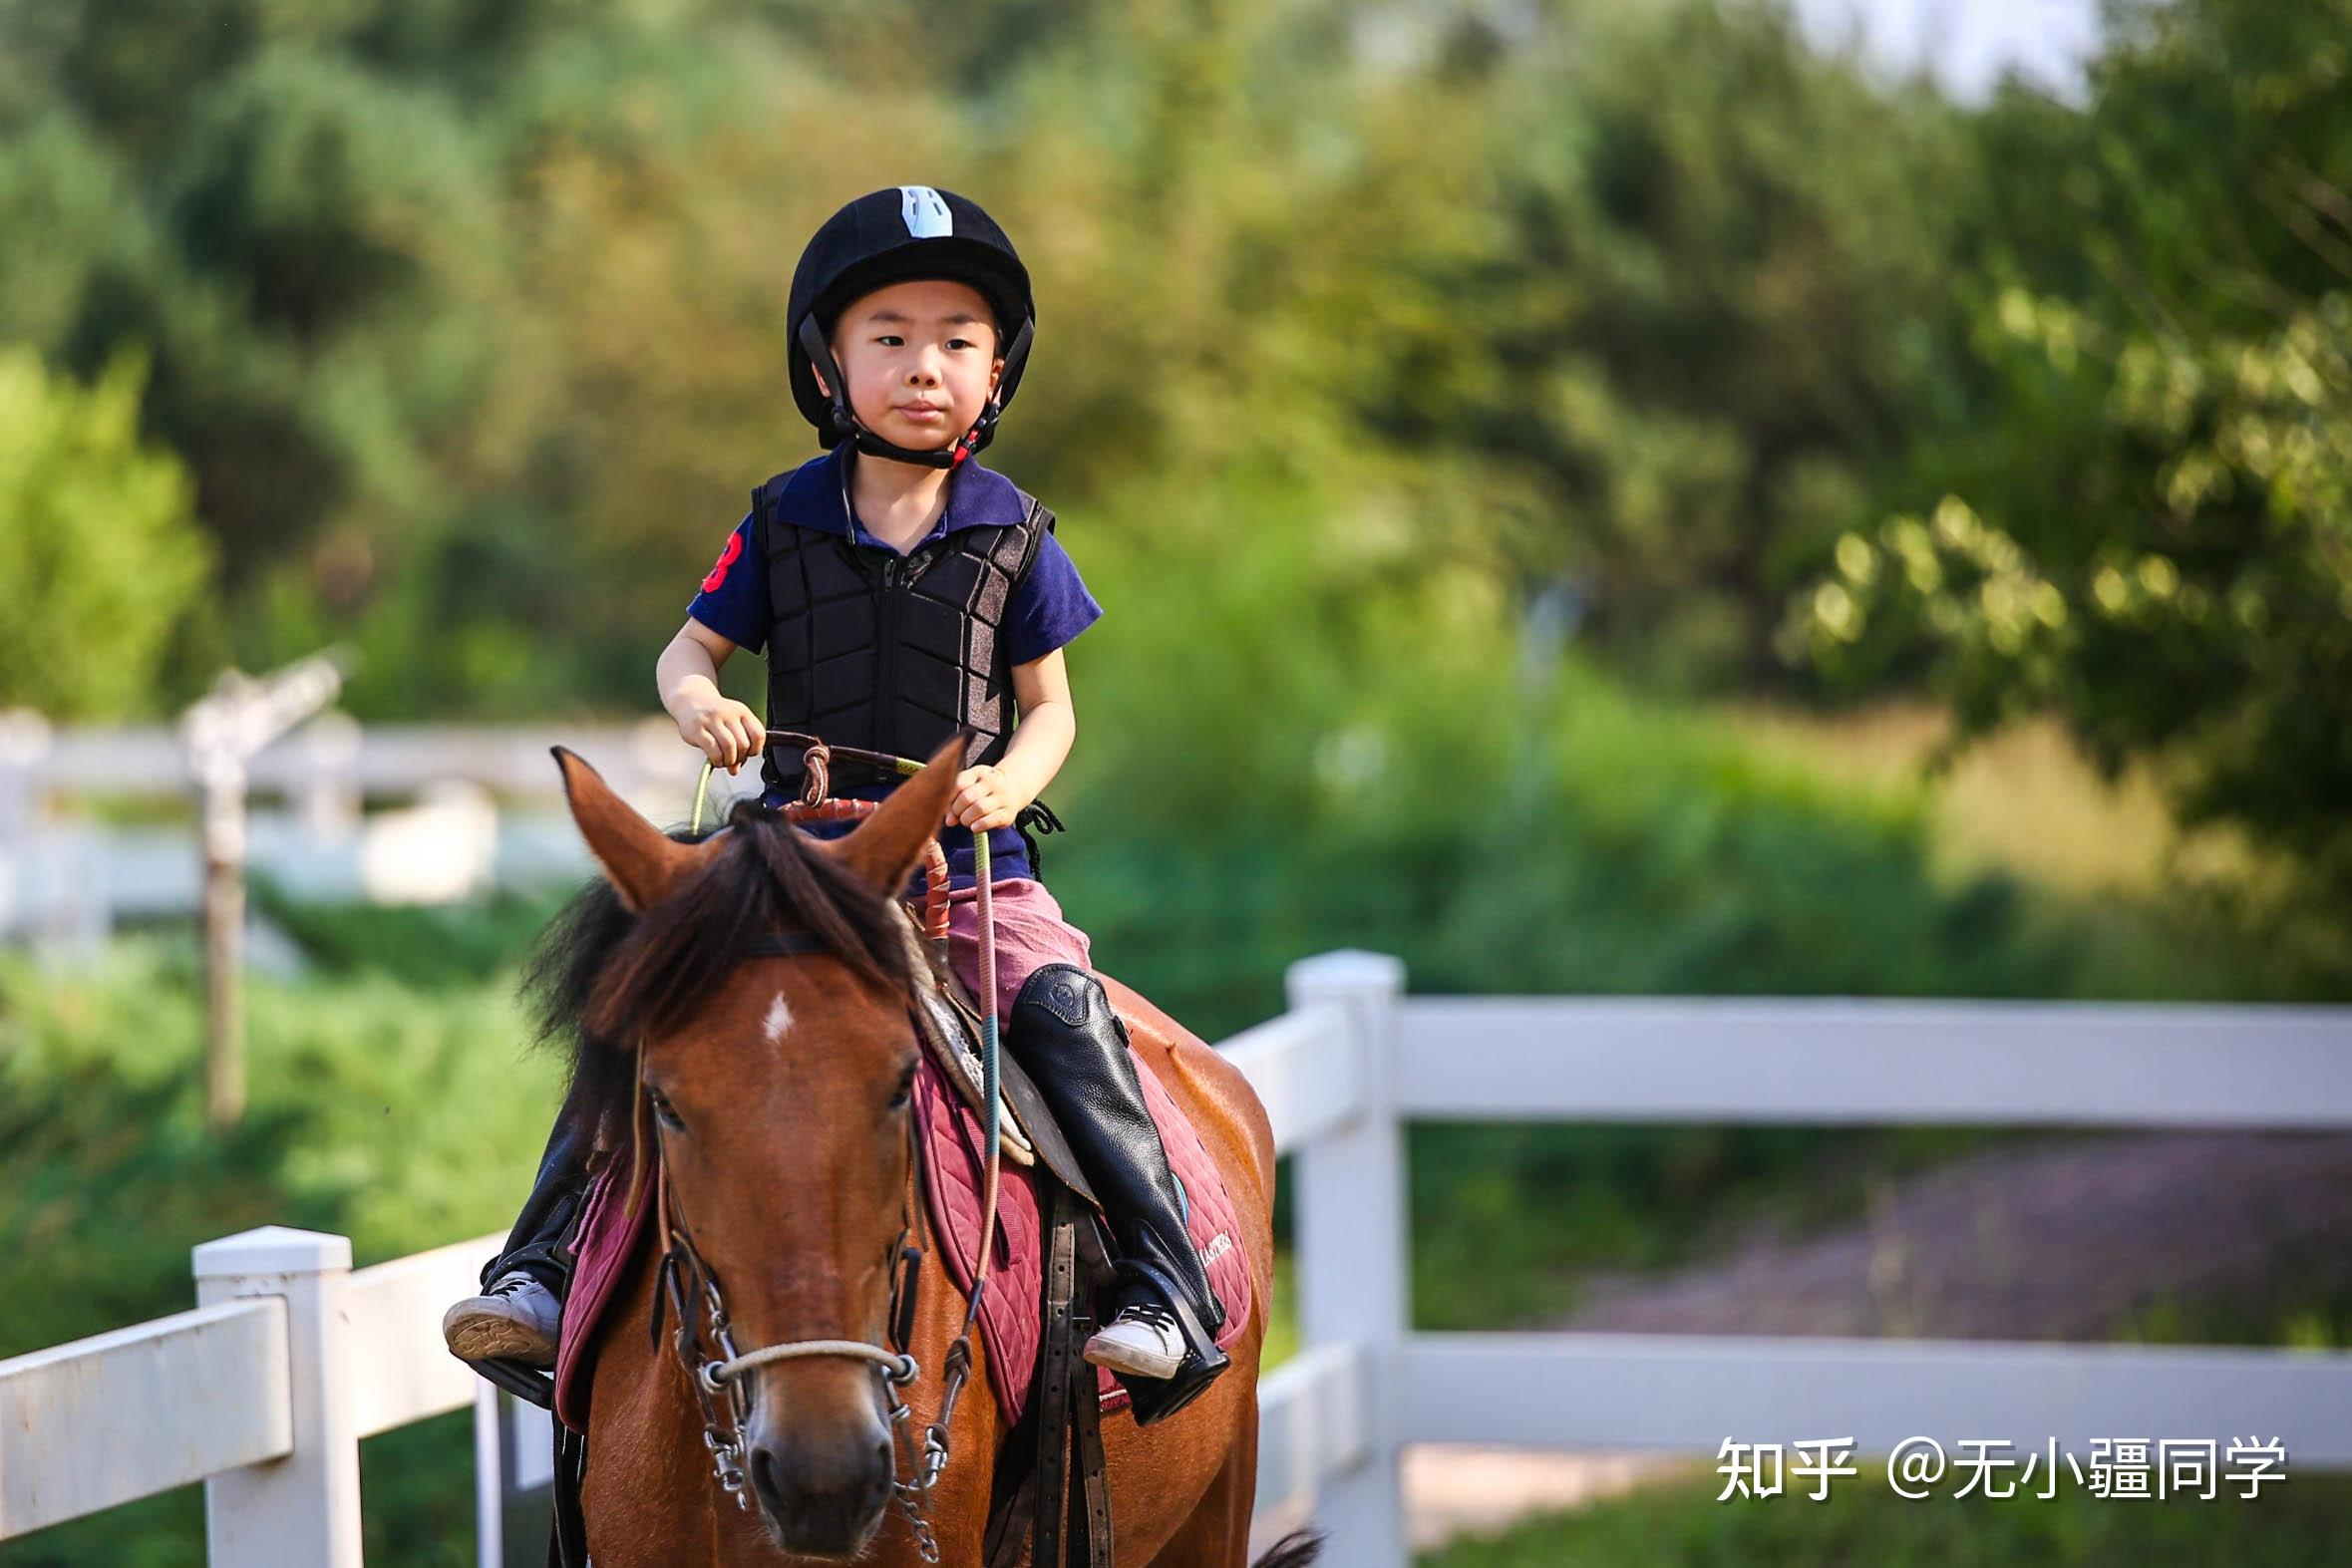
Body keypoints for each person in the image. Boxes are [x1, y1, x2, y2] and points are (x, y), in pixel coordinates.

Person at [442, 185, 1227, 1424]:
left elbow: (1052, 708)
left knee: (1065, 1011)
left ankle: (1167, 1284)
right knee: (636, 1006)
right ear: (829, 363)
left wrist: (1009, 782)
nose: (926, 367)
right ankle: (539, 1266)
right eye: (891, 337)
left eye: (959, 341)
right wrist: (698, 703)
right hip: (792, 856)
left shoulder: (1016, 534)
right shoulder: (783, 517)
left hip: (959, 866)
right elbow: (683, 654)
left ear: (996, 369)